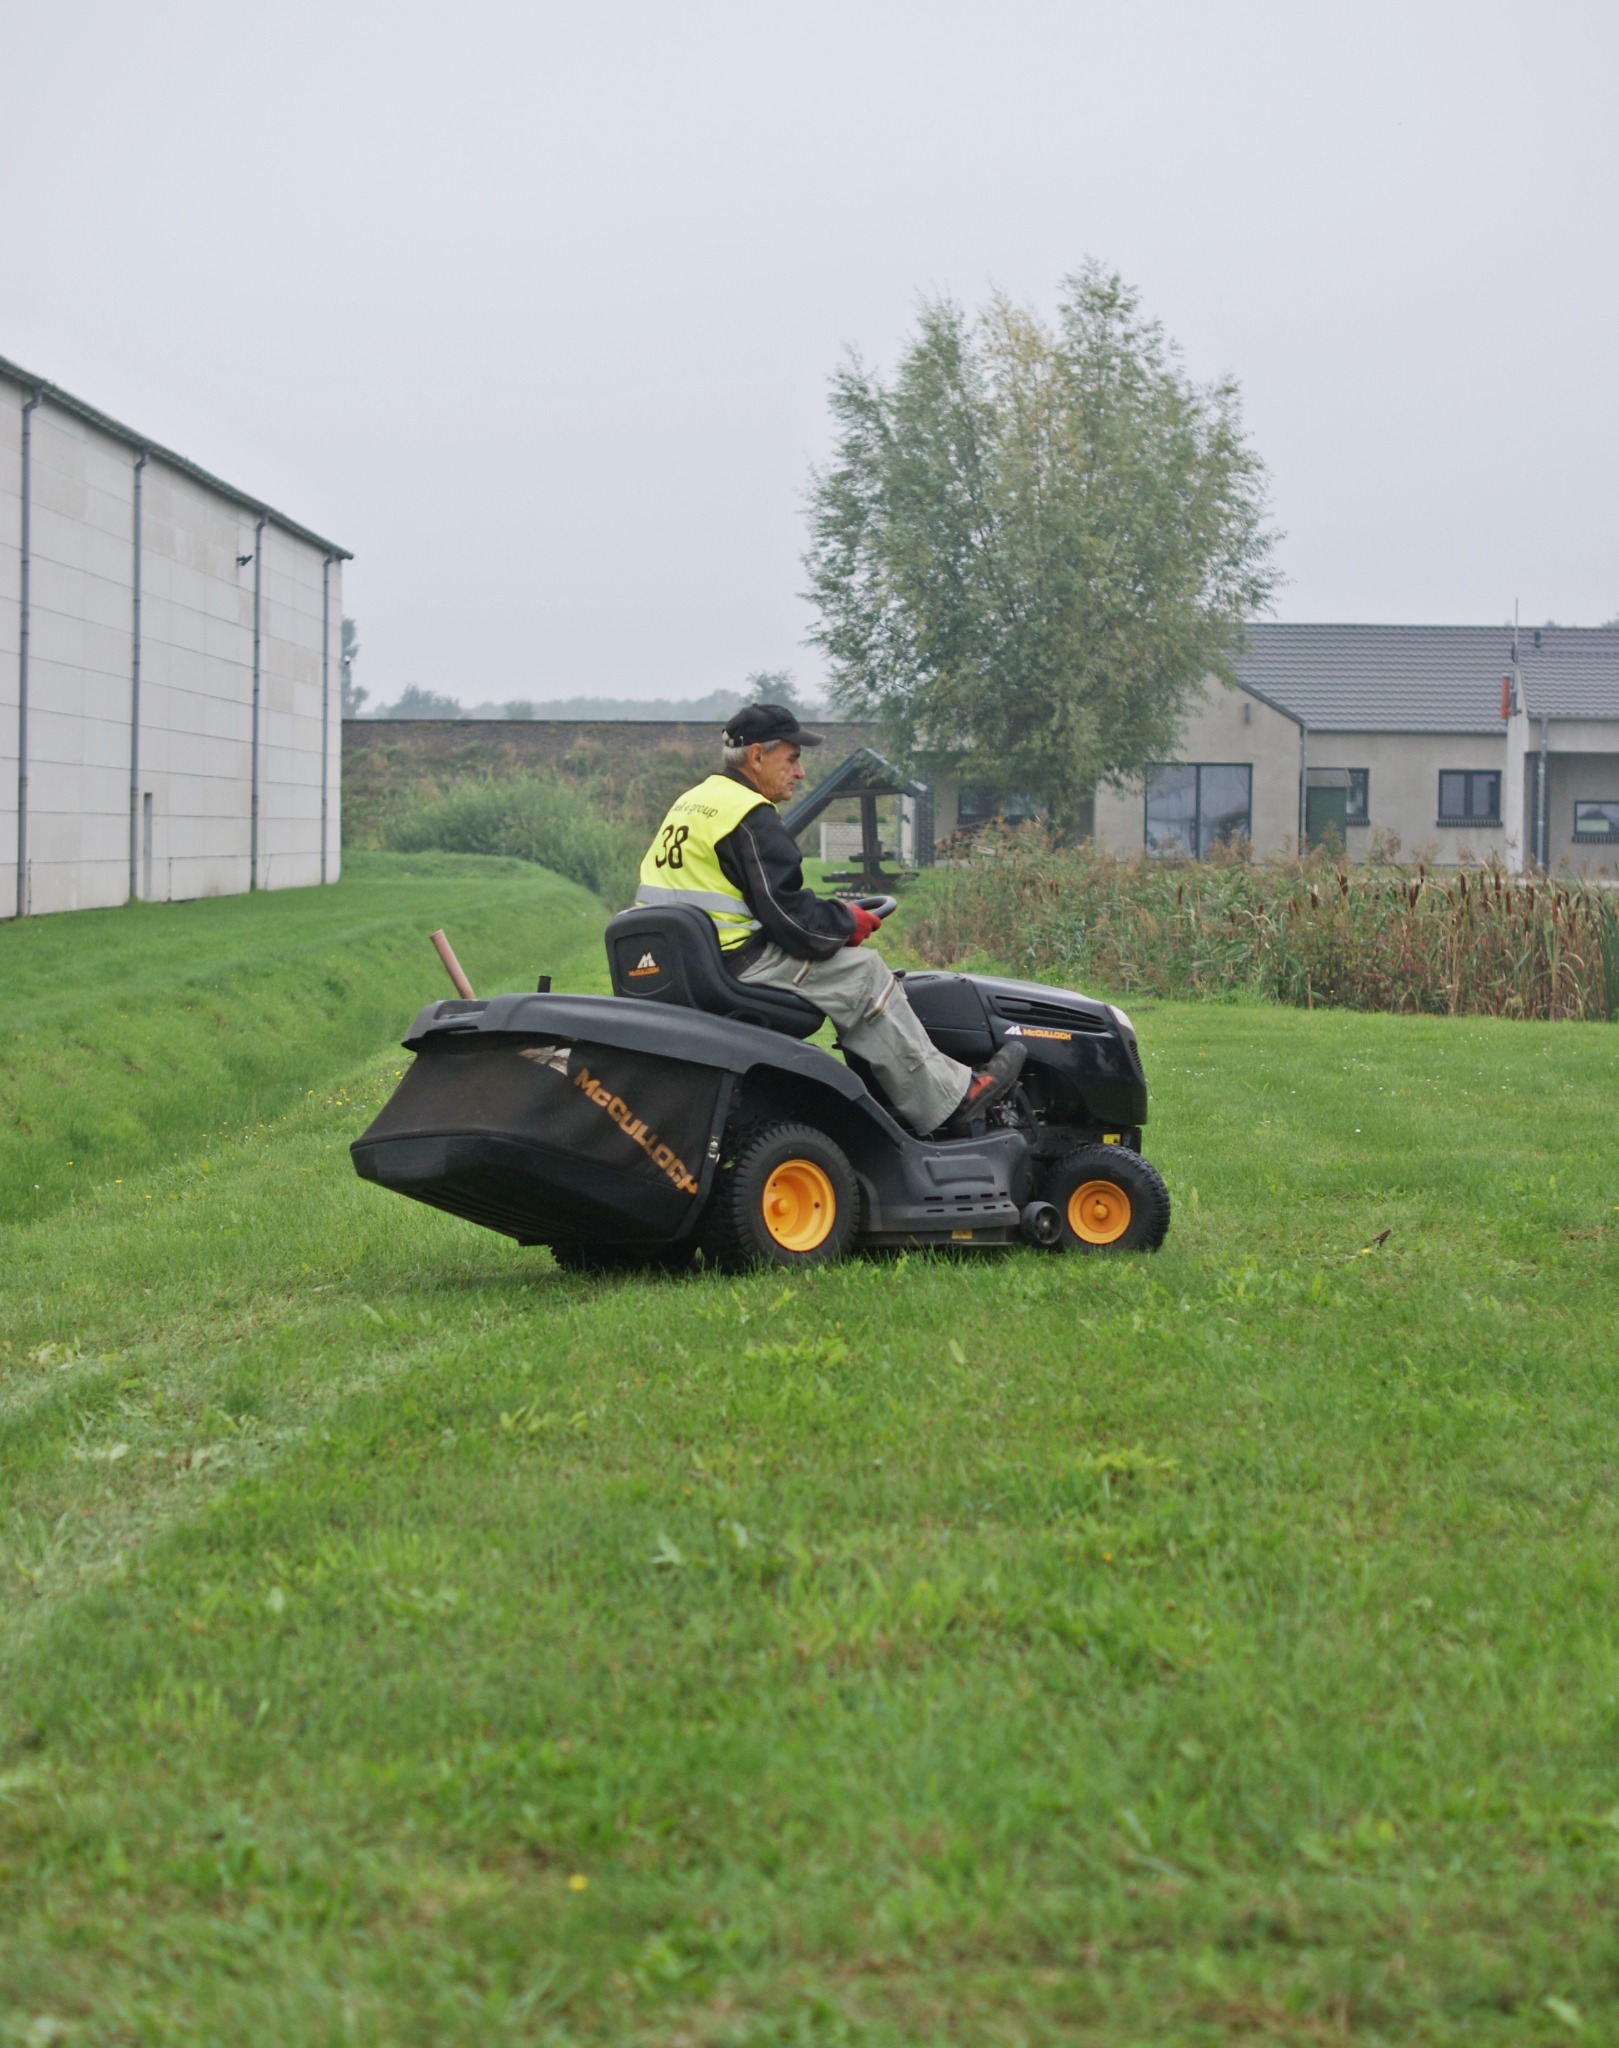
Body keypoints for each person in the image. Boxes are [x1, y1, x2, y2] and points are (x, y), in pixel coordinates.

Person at [636, 702, 1024, 1137]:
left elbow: (766, 903)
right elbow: (793, 922)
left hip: (684, 963)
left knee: (849, 971)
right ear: (757, 757)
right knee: (865, 973)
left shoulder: (693, 802)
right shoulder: (748, 816)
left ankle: (890, 1103)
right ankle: (952, 1100)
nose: (800, 773)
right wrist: (847, 923)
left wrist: (835, 918)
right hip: (737, 964)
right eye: (793, 759)